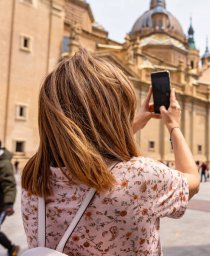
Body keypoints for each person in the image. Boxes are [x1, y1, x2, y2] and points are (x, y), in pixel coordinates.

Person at [21, 49, 200, 255]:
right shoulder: (140, 177)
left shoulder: (34, 180)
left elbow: (86, 147)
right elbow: (192, 181)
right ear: (113, 112)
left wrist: (131, 126)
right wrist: (173, 126)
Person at [0, 141, 20, 256]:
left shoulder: (4, 164)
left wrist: (8, 204)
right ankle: (11, 248)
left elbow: (9, 185)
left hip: (1, 205)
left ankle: (11, 248)